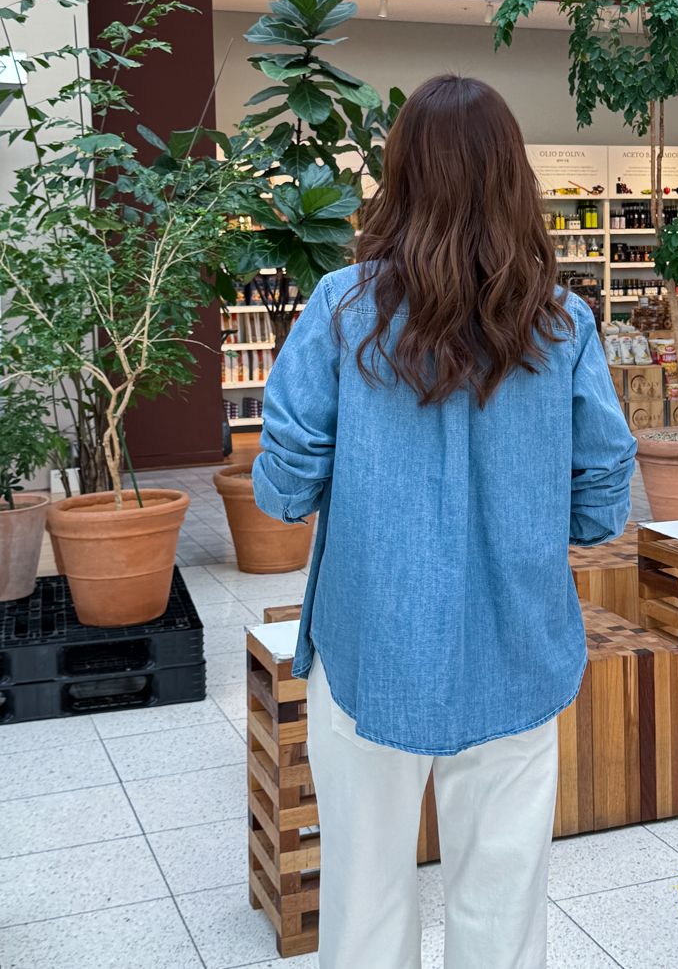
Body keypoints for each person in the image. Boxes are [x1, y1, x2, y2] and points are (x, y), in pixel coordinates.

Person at [253, 75, 637, 969]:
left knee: (363, 899)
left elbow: (285, 484)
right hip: (519, 643)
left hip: (371, 649)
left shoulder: (342, 308)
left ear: (401, 175)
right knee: (503, 902)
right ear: (514, 178)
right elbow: (603, 485)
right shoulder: (562, 320)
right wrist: (546, 511)